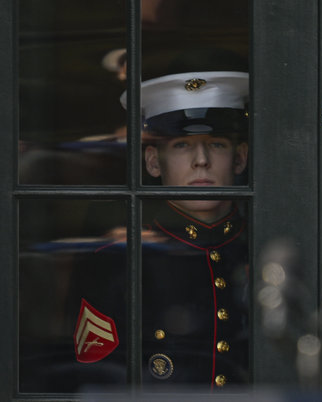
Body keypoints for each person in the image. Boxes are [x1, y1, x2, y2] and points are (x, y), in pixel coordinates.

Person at [19, 71, 250, 392]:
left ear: (240, 158)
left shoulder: (265, 247)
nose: (201, 161)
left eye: (217, 144)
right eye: (182, 145)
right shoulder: (115, 262)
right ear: (154, 162)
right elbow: (93, 379)